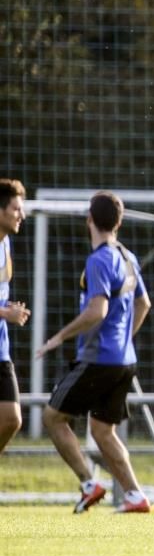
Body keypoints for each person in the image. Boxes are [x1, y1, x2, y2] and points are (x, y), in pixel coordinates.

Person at [36, 191, 153, 513]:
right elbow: (144, 303)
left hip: (99, 359)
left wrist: (58, 337)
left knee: (53, 417)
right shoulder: (127, 256)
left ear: (90, 219)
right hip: (124, 359)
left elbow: (97, 312)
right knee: (103, 430)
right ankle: (135, 495)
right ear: (119, 221)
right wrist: (125, 339)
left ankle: (90, 483)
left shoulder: (99, 259)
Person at [0, 179, 31, 454]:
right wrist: (5, 312)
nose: (21, 214)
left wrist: (8, 307)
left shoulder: (6, 243)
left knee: (12, 419)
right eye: (16, 208)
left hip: (1, 349)